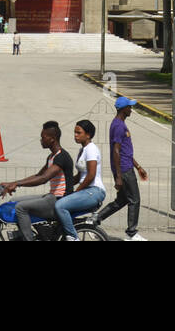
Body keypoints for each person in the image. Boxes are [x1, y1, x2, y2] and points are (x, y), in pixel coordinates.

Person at [0, 121, 76, 241]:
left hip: (59, 200)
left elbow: (43, 179)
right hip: (51, 197)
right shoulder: (51, 157)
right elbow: (38, 175)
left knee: (20, 208)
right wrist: (12, 183)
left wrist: (17, 184)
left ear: (52, 139)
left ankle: (28, 238)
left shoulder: (62, 157)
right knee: (14, 201)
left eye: (43, 137)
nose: (41, 140)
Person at [96, 97, 149, 241]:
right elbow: (116, 151)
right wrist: (119, 175)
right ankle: (131, 233)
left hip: (126, 166)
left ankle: (94, 220)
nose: (131, 110)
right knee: (134, 200)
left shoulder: (119, 124)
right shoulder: (119, 126)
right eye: (129, 107)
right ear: (123, 109)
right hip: (124, 170)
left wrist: (138, 167)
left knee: (122, 200)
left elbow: (125, 151)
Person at [54, 119, 107, 240]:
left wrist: (77, 191)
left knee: (60, 206)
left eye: (79, 133)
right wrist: (64, 185)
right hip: (86, 190)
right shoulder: (82, 150)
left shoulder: (91, 149)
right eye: (74, 132)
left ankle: (73, 237)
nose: (75, 135)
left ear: (88, 135)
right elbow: (80, 175)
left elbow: (91, 175)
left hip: (94, 191)